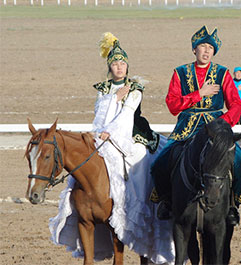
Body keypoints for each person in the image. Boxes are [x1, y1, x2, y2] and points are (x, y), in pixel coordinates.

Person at [50, 32, 174, 263]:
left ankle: (141, 202)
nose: (119, 67)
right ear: (110, 67)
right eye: (115, 63)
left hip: (131, 135)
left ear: (127, 66)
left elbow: (126, 117)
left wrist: (110, 130)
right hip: (104, 134)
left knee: (140, 158)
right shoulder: (105, 89)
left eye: (122, 63)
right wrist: (114, 99)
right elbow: (100, 117)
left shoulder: (135, 88)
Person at [151, 26, 241, 225]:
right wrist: (199, 94)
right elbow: (173, 105)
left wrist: (222, 124)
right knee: (158, 164)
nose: (206, 51)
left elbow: (236, 105)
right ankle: (167, 201)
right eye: (202, 46)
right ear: (194, 49)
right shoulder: (180, 73)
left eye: (210, 48)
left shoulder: (222, 73)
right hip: (187, 127)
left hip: (216, 127)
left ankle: (232, 205)